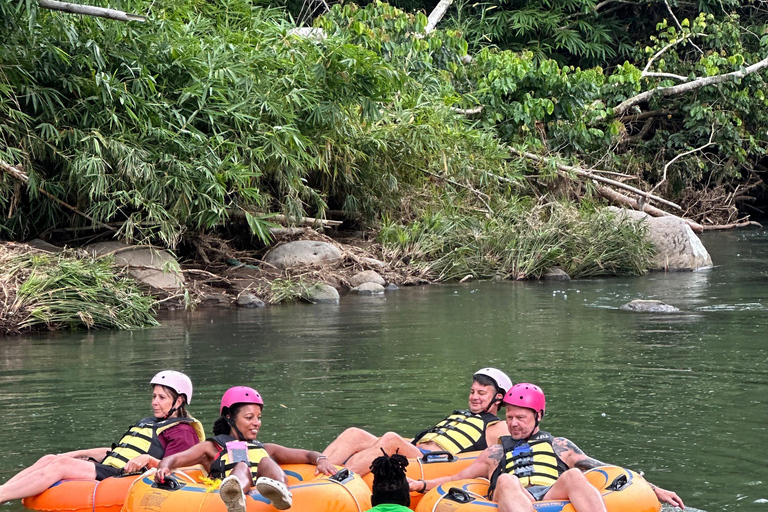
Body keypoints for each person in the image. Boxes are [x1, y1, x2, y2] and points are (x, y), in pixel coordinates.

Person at [408, 383, 686, 511]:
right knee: (505, 478)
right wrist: (419, 484)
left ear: (538, 416)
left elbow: (606, 470)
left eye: (521, 418)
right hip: (515, 498)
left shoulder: (561, 445)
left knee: (575, 475)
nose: (514, 424)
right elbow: (456, 479)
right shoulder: (495, 452)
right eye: (510, 417)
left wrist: (656, 489)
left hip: (552, 493)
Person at [0, 370, 204, 504]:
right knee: (50, 459)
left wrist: (149, 461)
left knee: (60, 466)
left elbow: (182, 468)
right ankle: (4, 491)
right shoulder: (152, 422)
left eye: (162, 398)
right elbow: (119, 451)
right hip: (112, 467)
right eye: (154, 396)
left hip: (124, 477)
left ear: (179, 401)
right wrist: (76, 453)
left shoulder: (182, 431)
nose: (154, 402)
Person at [154, 386, 337, 512]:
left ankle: (281, 492)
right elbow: (176, 459)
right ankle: (235, 496)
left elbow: (306, 454)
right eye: (249, 418)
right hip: (227, 490)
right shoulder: (212, 447)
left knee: (267, 461)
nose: (256, 423)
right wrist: (164, 466)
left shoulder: (266, 448)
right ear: (229, 418)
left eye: (259, 417)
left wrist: (321, 459)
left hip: (265, 490)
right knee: (241, 465)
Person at [322, 368, 513, 476]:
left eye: (481, 393)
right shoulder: (462, 415)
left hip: (432, 463)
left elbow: (516, 444)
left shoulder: (497, 426)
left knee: (390, 439)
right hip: (416, 449)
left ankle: (341, 480)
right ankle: (318, 468)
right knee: (354, 433)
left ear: (498, 398)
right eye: (472, 392)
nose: (474, 397)